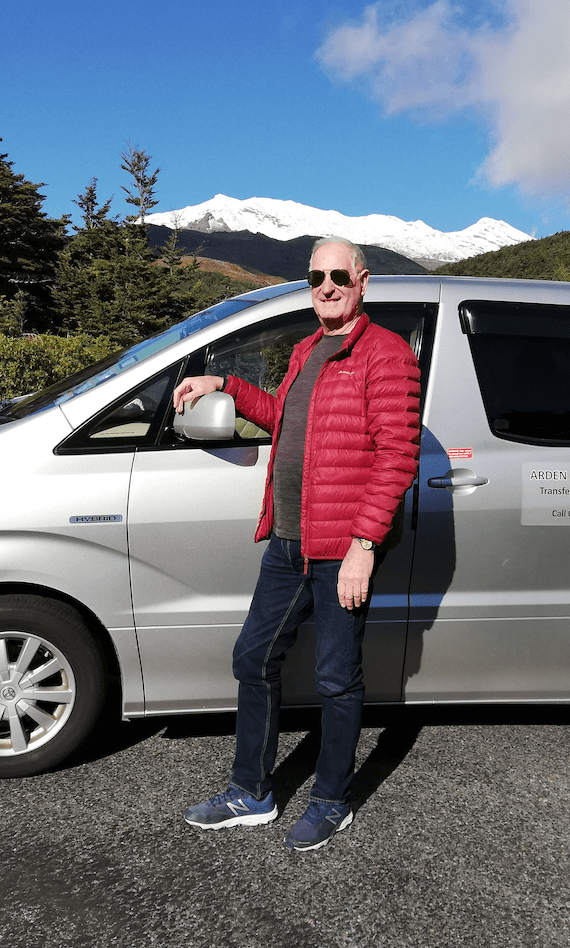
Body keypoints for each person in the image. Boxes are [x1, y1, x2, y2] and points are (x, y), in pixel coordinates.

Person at [173, 237, 421, 850]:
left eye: (340, 275)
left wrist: (365, 544)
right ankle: (252, 793)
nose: (327, 286)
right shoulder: (307, 349)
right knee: (252, 659)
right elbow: (283, 415)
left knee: (338, 677)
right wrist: (223, 381)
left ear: (363, 281)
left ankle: (332, 800)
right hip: (288, 541)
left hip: (342, 547)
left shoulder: (386, 355)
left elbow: (398, 458)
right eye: (316, 276)